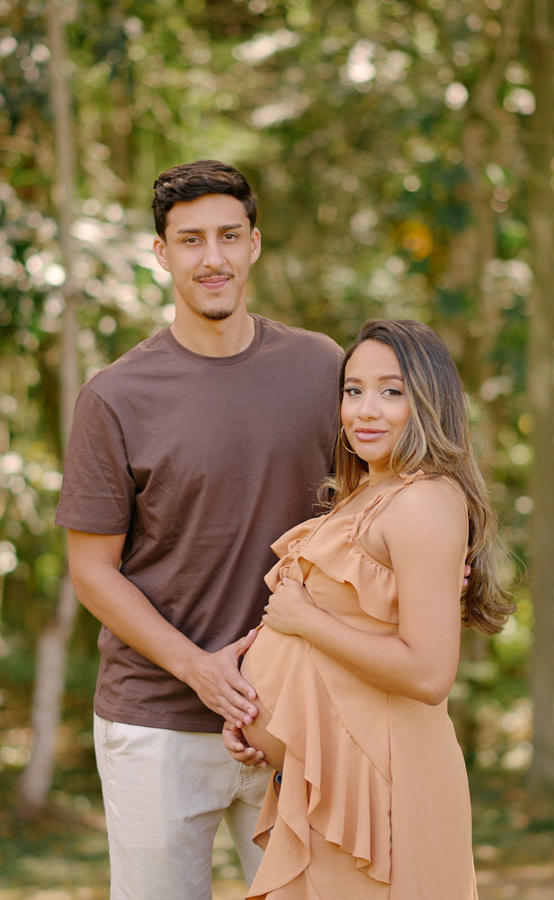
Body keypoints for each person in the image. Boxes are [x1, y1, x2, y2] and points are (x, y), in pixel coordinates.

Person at [54, 159, 344, 900]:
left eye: (227, 236)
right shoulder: (115, 396)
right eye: (190, 241)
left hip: (298, 715)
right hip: (156, 722)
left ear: (254, 244)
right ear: (162, 253)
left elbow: (371, 509)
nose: (211, 258)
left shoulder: (323, 369)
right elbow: (92, 570)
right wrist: (200, 669)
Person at [223, 319, 515, 899]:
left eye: (392, 391)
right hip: (327, 774)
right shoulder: (366, 492)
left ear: (429, 401)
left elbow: (429, 674)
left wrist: (305, 622)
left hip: (383, 780)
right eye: (353, 390)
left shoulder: (425, 500)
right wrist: (260, 716)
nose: (366, 410)